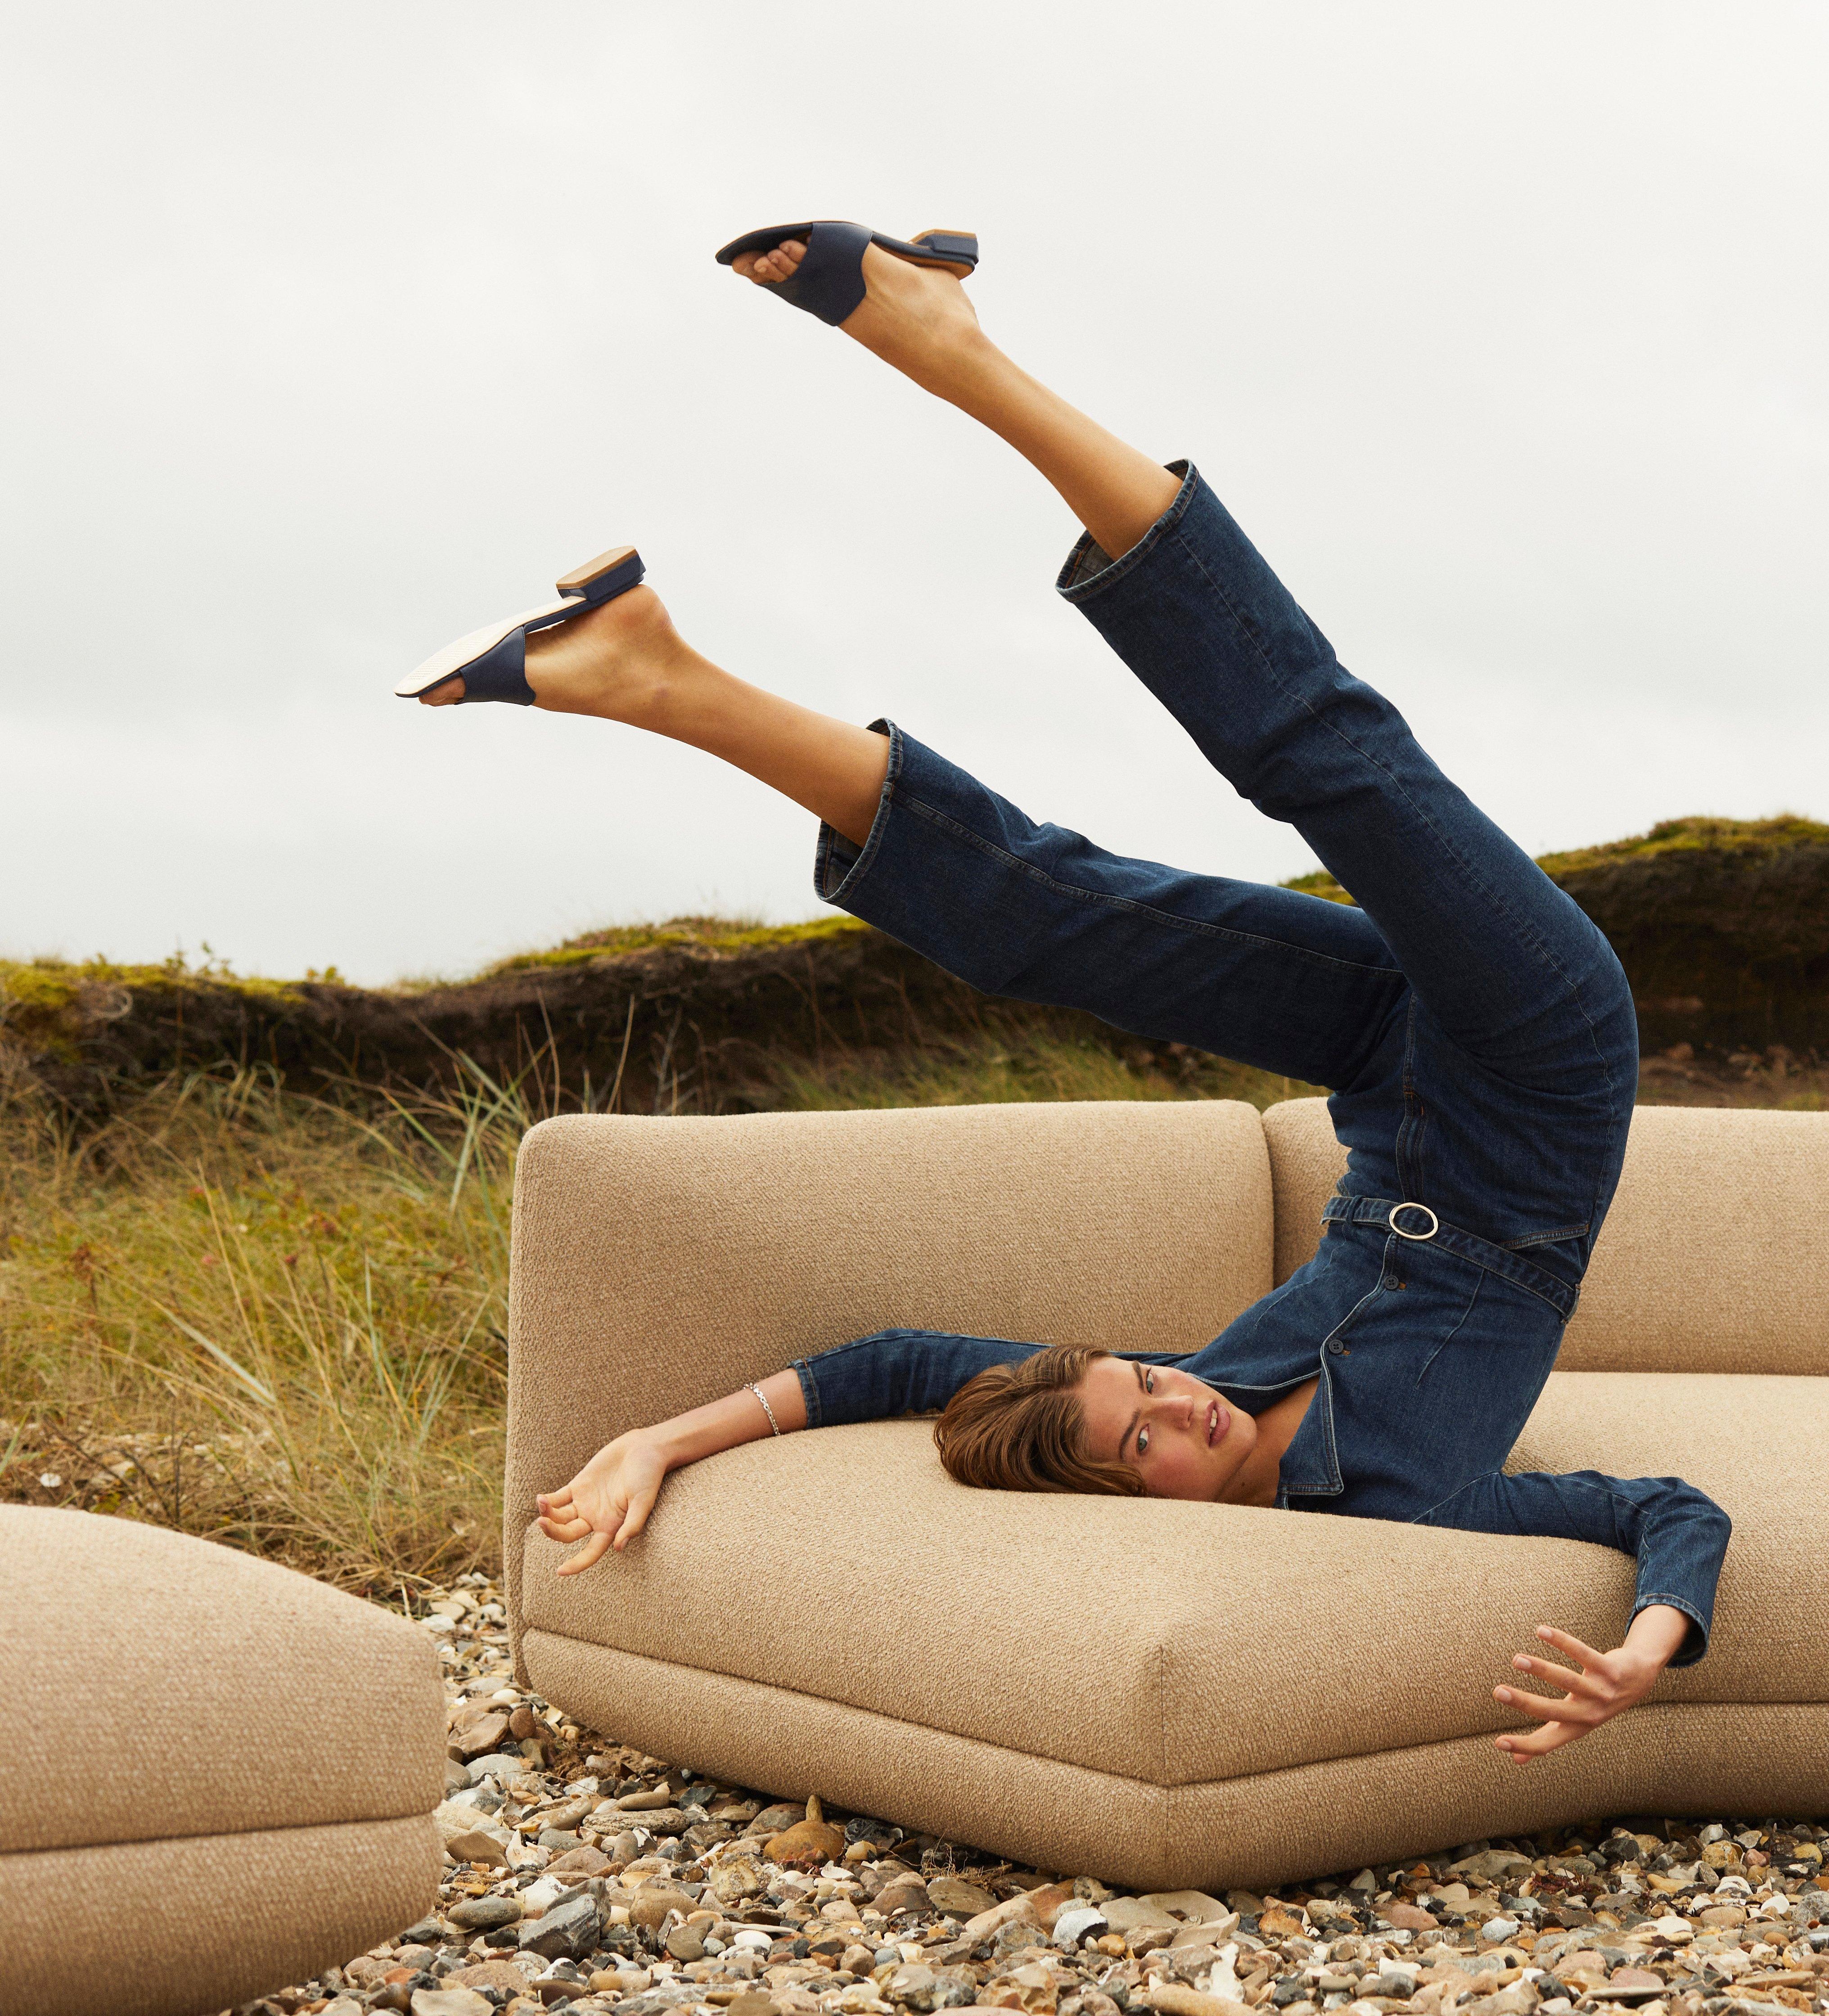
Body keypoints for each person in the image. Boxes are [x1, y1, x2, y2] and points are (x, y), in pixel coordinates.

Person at [397, 220, 1729, 1762]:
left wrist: (663, 1437)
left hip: (1384, 1069)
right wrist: (1647, 1650)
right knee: (1326, 763)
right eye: (1149, 1440)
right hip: (1544, 1059)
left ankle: (662, 662)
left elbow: (889, 1367)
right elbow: (1659, 1507)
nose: (1183, 1408)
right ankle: (916, 365)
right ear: (1114, 1504)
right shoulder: (1407, 1505)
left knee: (1052, 921)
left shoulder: (1152, 1400)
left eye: (1148, 1384)